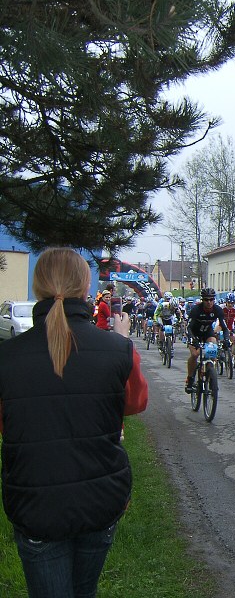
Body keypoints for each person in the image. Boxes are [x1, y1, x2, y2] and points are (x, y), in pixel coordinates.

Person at [0, 247, 148, 598]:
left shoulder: (7, 357)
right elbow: (134, 403)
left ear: (38, 289)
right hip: (100, 499)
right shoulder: (116, 349)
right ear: (86, 289)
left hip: (36, 504)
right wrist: (123, 341)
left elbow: (8, 424)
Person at [185, 288, 230, 393]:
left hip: (207, 333)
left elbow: (224, 327)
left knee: (212, 351)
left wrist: (227, 339)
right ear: (202, 300)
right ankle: (190, 379)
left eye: (211, 299)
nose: (209, 302)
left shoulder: (217, 310)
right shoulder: (196, 310)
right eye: (206, 300)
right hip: (194, 333)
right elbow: (189, 327)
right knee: (195, 355)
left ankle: (210, 373)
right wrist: (192, 339)